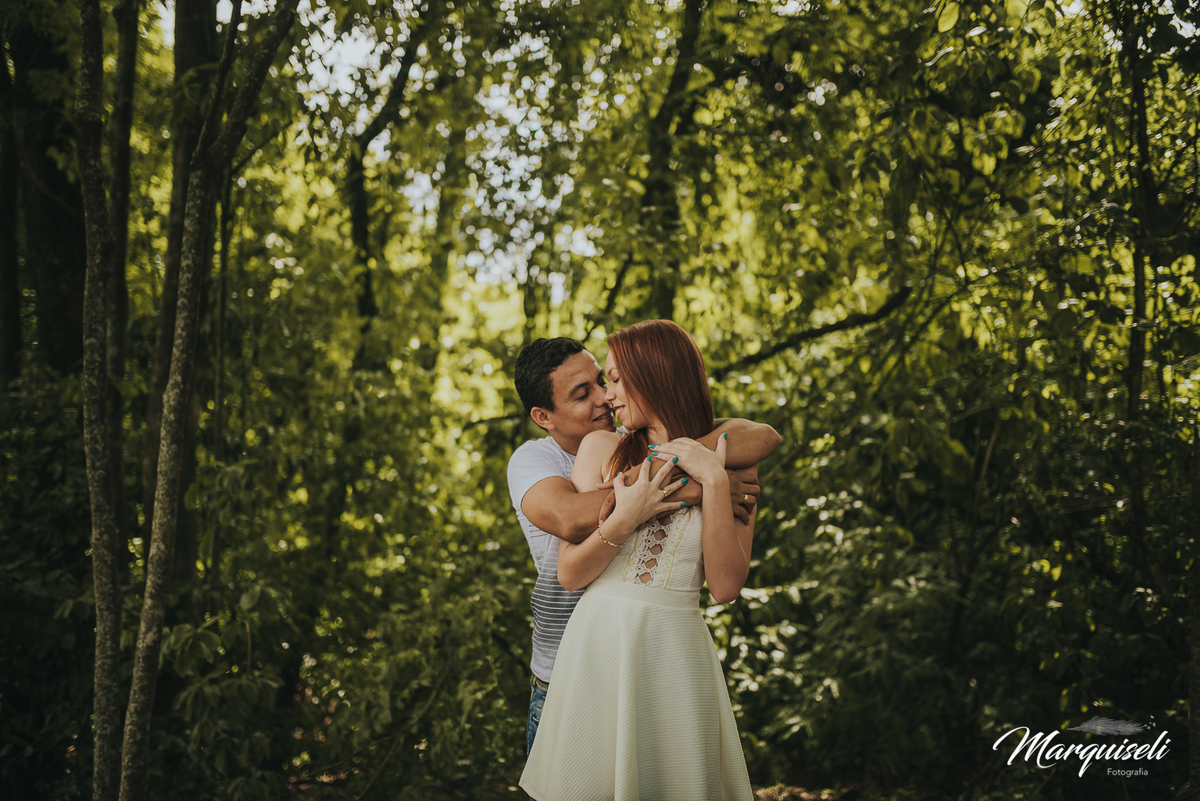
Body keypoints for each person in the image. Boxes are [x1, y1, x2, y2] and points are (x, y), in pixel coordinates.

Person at [518, 321, 777, 800]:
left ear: (655, 375)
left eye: (613, 380)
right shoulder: (601, 449)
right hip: (597, 644)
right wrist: (661, 497)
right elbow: (571, 572)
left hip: (675, 649)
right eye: (597, 385)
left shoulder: (734, 461)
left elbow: (724, 587)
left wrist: (716, 483)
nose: (606, 397)